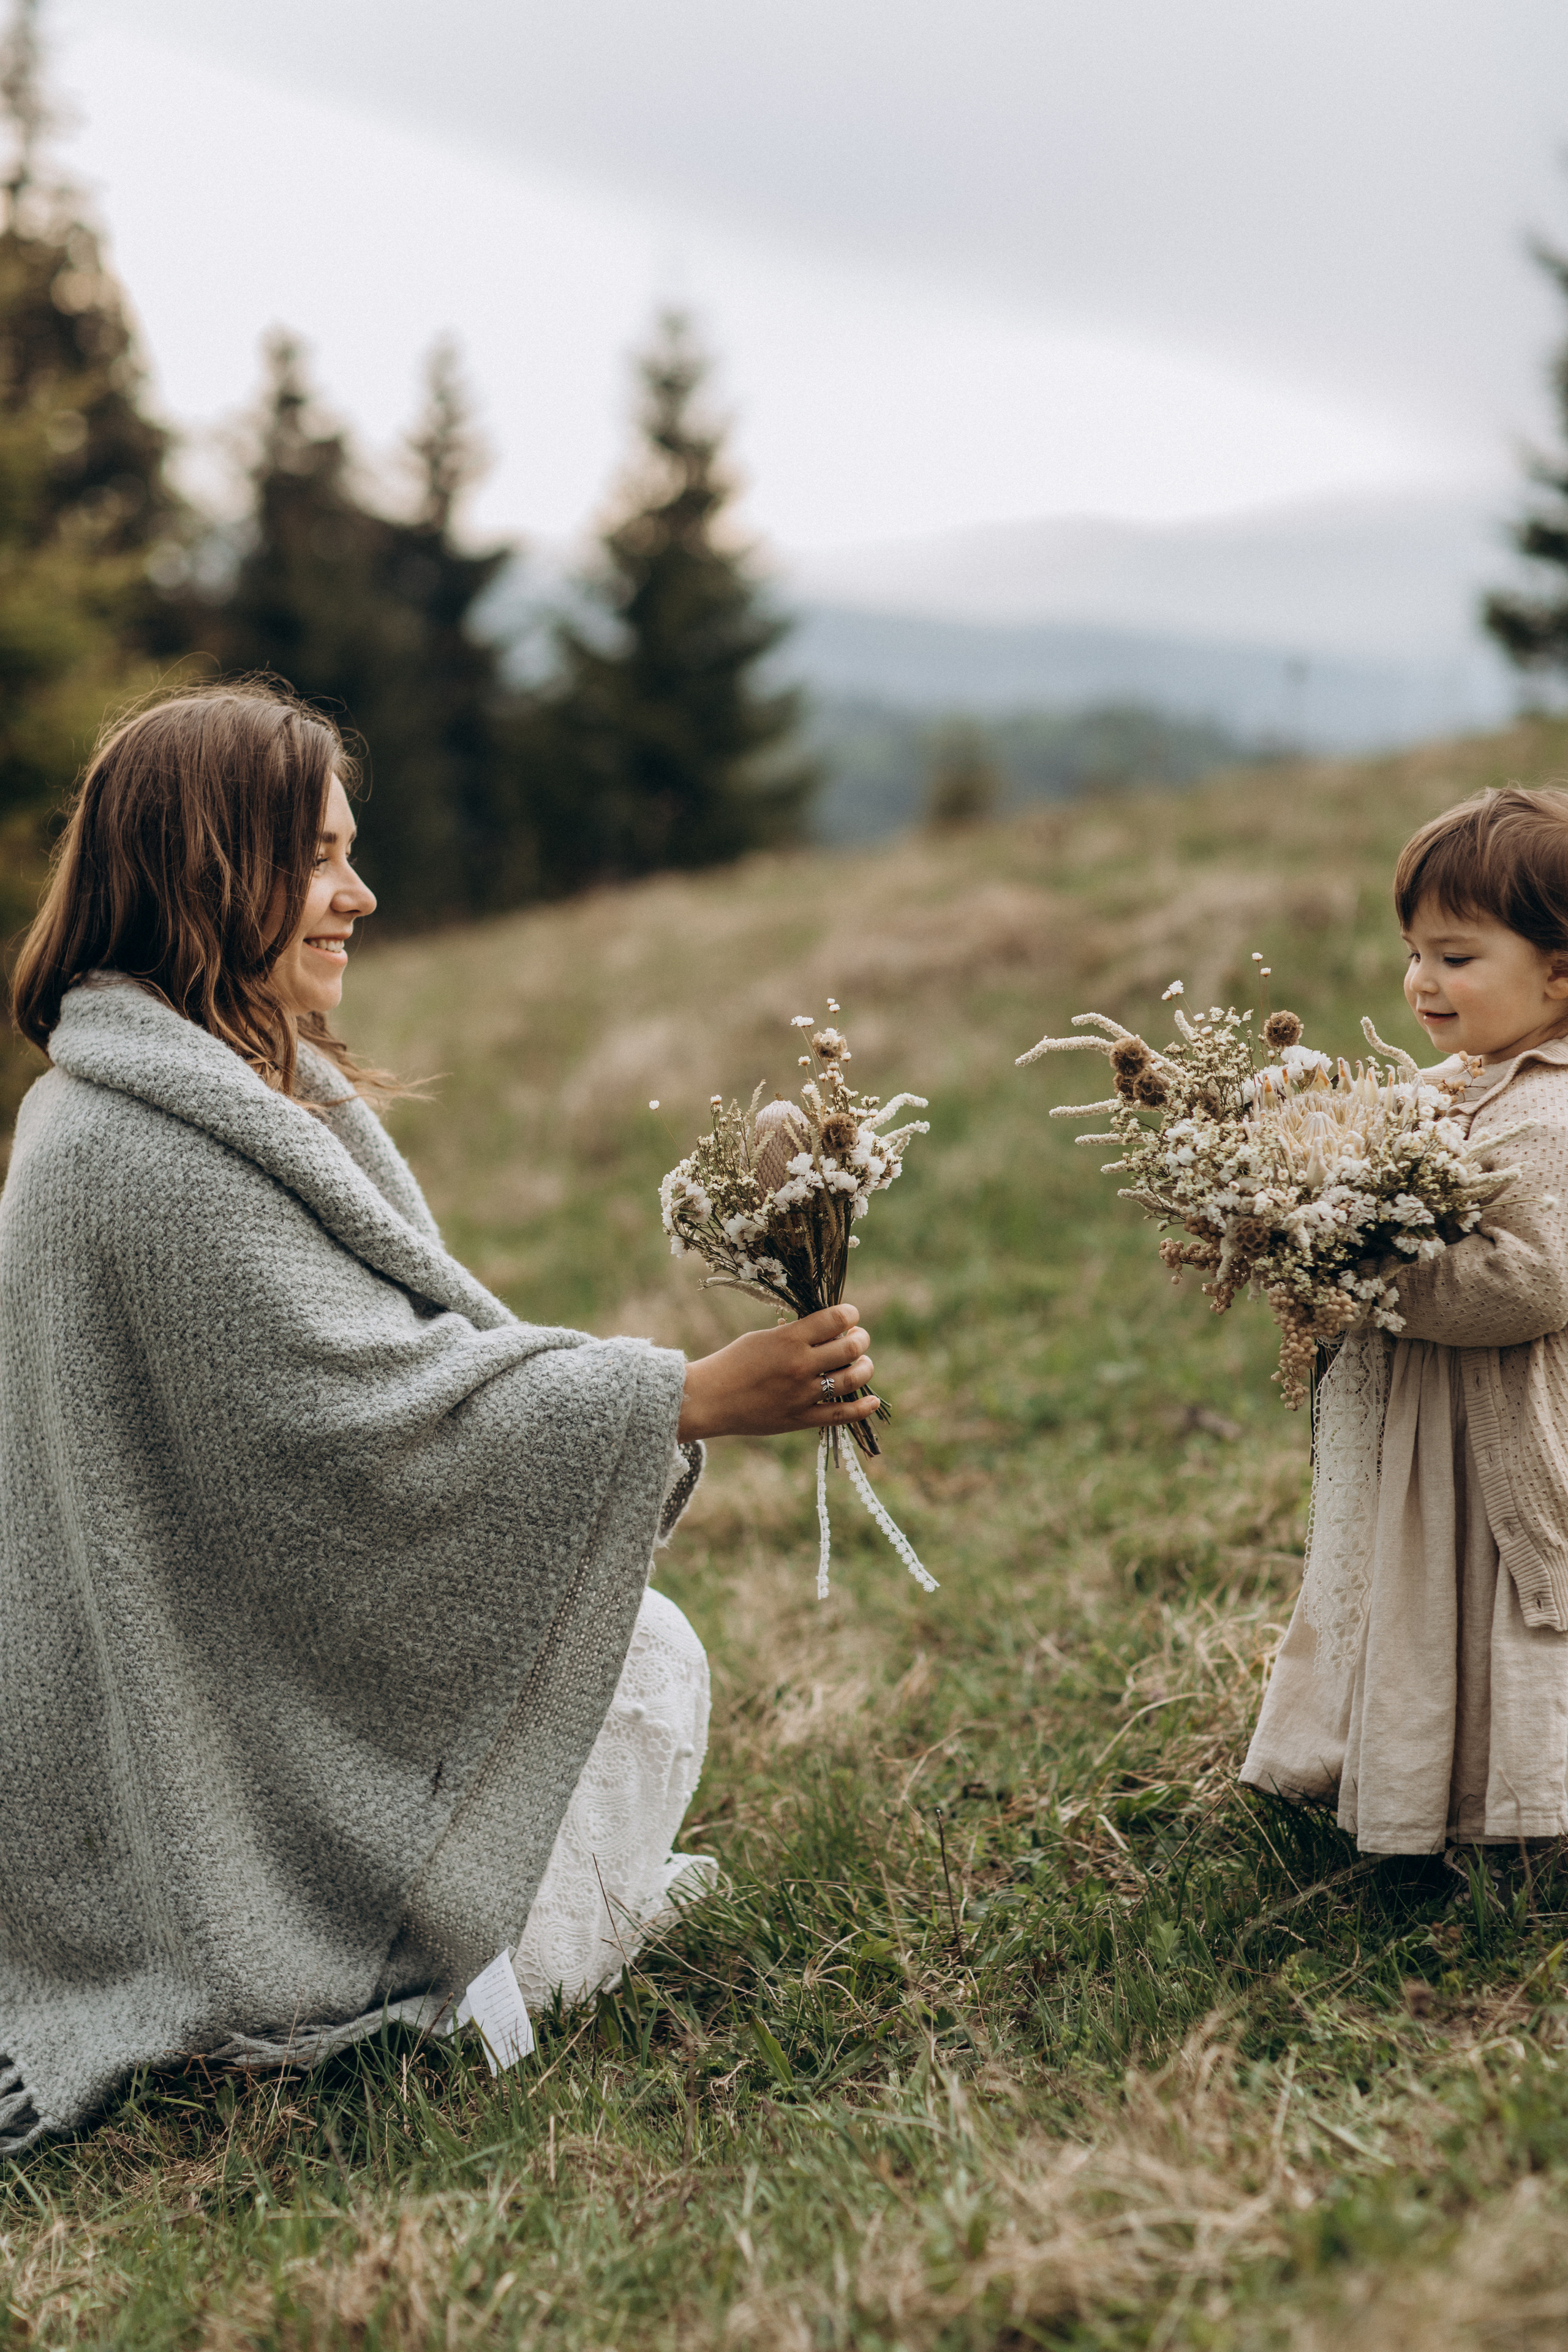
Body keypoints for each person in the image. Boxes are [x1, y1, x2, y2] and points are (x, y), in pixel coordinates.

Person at [0, 684, 878, 2153]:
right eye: (320, 859)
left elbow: (389, 1368)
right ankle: (402, 1980)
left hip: (272, 1650)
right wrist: (687, 1393)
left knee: (640, 1652)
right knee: (636, 1669)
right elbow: (348, 1439)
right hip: (210, 1739)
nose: (360, 894)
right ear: (212, 870)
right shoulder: (120, 1150)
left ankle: (507, 1939)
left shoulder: (257, 1092)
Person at [1243, 785, 1568, 1855]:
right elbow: (1383, 1162)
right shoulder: (1455, 1085)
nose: (1421, 981)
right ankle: (1418, 1782)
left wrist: (1366, 1270)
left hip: (1504, 1424)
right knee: (1423, 1595)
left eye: (1457, 957)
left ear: (1561, 972)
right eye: (1413, 952)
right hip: (1430, 1421)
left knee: (1490, 1600)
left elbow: (1530, 1281)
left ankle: (1515, 1809)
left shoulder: (1551, 1109)